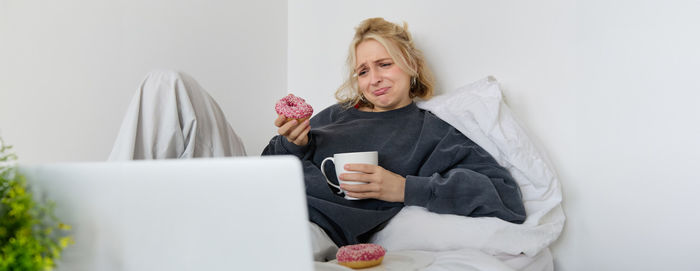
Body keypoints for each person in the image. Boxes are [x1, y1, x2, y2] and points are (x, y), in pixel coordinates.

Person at [262, 17, 526, 258]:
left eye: (384, 64)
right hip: (268, 199)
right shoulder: (337, 114)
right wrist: (293, 144)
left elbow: (505, 195)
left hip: (313, 227)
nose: (374, 79)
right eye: (363, 71)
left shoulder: (433, 131)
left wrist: (402, 188)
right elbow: (263, 166)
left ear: (411, 65)